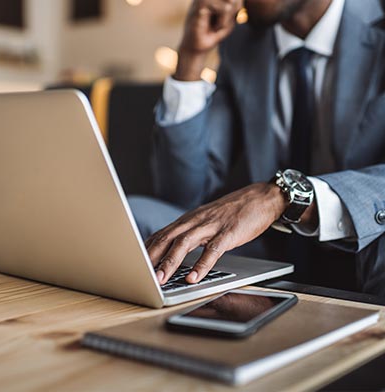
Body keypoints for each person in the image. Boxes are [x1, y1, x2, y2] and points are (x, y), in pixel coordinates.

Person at [129, 0, 385, 294]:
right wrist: (191, 60)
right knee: (137, 217)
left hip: (365, 244)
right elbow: (184, 192)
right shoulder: (242, 43)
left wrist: (284, 198)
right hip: (270, 248)